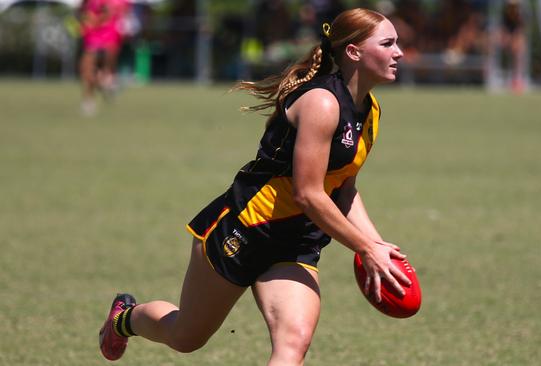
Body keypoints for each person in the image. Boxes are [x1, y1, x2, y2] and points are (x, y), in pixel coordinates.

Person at [98, 8, 411, 365]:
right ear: (354, 52)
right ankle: (124, 317)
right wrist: (365, 249)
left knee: (293, 342)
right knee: (185, 336)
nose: (399, 52)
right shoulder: (322, 103)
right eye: (388, 43)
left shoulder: (370, 111)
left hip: (295, 244)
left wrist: (376, 244)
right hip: (244, 230)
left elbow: (344, 187)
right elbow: (308, 194)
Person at [78, 0, 129, 116]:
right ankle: (93, 95)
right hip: (91, 36)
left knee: (106, 67)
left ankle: (107, 82)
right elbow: (84, 15)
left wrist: (94, 21)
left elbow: (110, 15)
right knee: (86, 72)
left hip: (108, 35)